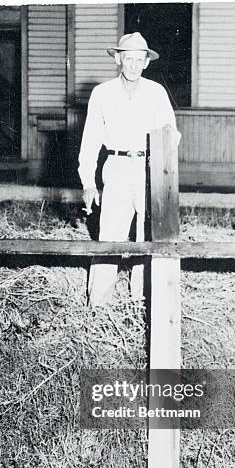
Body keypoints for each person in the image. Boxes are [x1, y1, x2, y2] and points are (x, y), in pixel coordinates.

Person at [78, 32, 180, 308]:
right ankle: (98, 306)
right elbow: (90, 142)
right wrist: (88, 182)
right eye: (128, 59)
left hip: (149, 169)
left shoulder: (156, 93)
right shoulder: (102, 94)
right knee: (109, 235)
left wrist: (168, 138)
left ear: (146, 63)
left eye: (139, 60)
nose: (133, 65)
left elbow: (171, 135)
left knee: (149, 236)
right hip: (117, 167)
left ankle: (143, 302)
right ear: (119, 60)